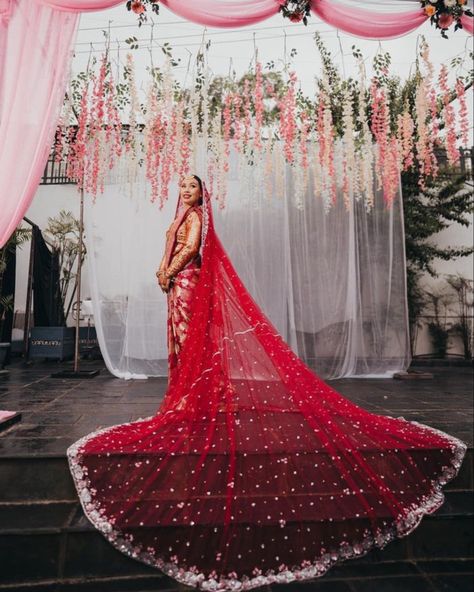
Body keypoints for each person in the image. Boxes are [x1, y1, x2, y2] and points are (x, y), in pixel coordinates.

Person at [68, 176, 466, 591]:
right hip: (175, 284)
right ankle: (189, 397)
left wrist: (168, 271)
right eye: (182, 185)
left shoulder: (198, 216)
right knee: (181, 347)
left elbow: (190, 250)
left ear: (203, 193)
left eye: (192, 186)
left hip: (186, 284)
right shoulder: (181, 213)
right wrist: (161, 270)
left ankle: (194, 397)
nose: (185, 190)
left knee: (190, 344)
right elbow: (174, 246)